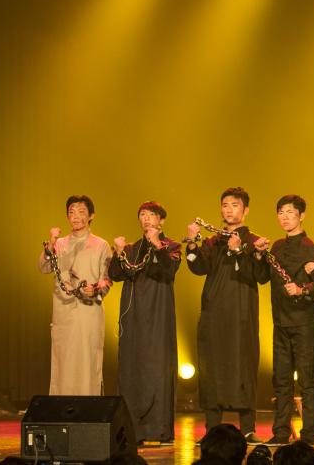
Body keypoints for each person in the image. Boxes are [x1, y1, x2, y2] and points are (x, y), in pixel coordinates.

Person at [186, 187, 268, 443]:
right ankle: (212, 428)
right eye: (225, 205)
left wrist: (241, 250)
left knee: (244, 365)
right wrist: (192, 243)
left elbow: (261, 276)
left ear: (245, 210)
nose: (229, 210)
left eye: (234, 205)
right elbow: (198, 267)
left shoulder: (254, 240)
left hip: (242, 314)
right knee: (211, 367)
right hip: (214, 313)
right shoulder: (213, 241)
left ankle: (248, 428)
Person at [253, 195, 314, 447]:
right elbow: (262, 277)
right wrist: (259, 256)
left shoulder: (311, 247)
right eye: (281, 212)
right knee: (281, 381)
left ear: (301, 215)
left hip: (303, 321)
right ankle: (281, 431)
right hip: (280, 322)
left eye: (290, 212)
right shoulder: (276, 247)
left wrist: (302, 289)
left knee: (307, 380)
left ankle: (309, 434)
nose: (284, 217)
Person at [109, 201, 181, 444]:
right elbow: (116, 274)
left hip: (158, 313)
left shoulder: (171, 246)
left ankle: (159, 429)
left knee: (157, 367)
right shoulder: (131, 249)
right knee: (132, 367)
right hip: (134, 317)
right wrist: (118, 252)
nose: (146, 218)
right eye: (142, 214)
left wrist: (157, 245)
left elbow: (168, 271)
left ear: (161, 220)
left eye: (151, 214)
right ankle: (132, 430)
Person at [37, 195, 112, 395]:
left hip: (88, 312)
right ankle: (61, 408)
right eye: (71, 212)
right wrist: (50, 245)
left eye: (81, 212)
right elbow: (43, 267)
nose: (76, 216)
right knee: (63, 361)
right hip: (63, 311)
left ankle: (88, 407)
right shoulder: (59, 244)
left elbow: (107, 278)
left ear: (91, 216)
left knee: (88, 360)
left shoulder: (101, 245)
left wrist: (95, 289)